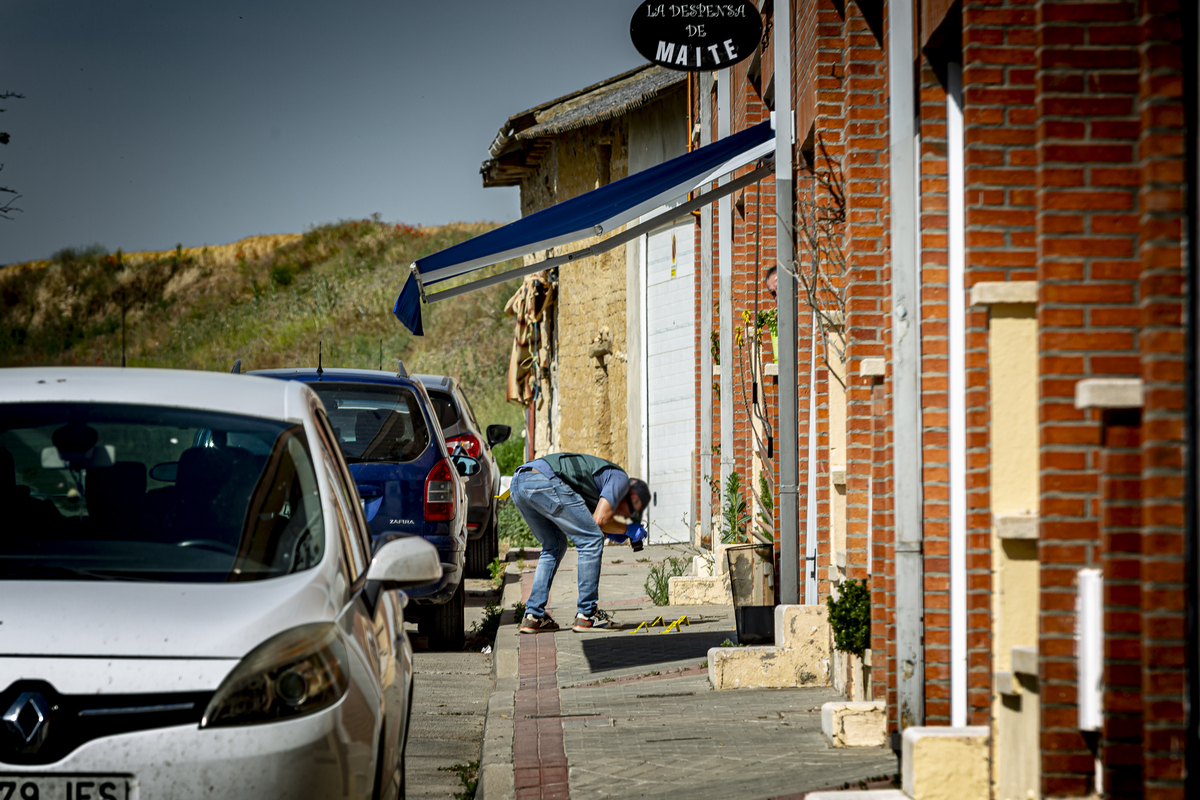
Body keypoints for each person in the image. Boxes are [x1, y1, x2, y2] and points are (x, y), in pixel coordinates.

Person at [510, 452, 649, 633]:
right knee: (591, 541)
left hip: (520, 481)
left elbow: (594, 523)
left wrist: (615, 531)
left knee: (554, 545)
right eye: (631, 511)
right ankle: (587, 615)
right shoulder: (620, 479)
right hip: (543, 479)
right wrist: (629, 529)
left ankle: (533, 616)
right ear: (633, 497)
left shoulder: (600, 490)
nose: (626, 517)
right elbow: (599, 522)